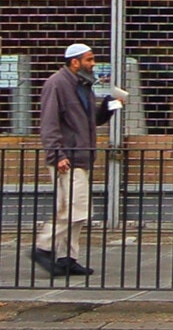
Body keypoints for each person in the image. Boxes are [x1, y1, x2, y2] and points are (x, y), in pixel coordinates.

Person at [34, 43, 125, 279]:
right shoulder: (57, 83)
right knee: (72, 208)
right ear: (75, 62)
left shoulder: (83, 86)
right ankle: (43, 246)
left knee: (78, 209)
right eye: (89, 59)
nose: (93, 63)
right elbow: (49, 123)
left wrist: (109, 107)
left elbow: (91, 120)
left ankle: (68, 257)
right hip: (68, 158)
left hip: (80, 156)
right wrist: (58, 154)